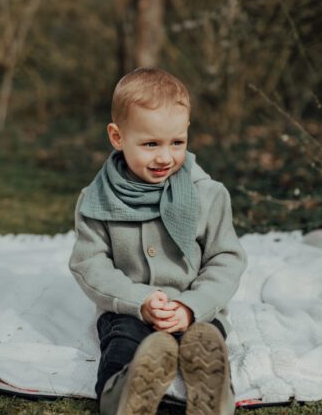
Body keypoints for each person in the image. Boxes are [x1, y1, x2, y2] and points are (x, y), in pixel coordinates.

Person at [69, 68, 247, 415]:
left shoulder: (207, 195)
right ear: (117, 137)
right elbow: (89, 263)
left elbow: (225, 259)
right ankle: (121, 392)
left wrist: (192, 306)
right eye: (151, 144)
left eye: (176, 142)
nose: (166, 157)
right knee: (121, 342)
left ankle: (213, 392)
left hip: (194, 306)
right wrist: (140, 300)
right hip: (129, 305)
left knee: (204, 340)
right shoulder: (96, 199)